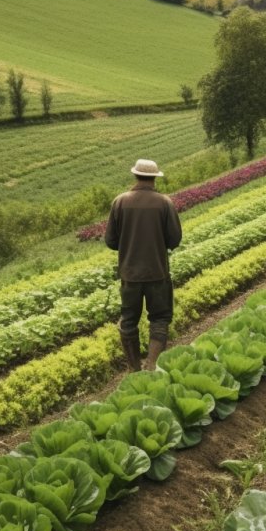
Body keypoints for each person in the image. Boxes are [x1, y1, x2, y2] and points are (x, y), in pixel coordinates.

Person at [105, 158, 182, 371]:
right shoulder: (164, 203)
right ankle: (152, 364)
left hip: (130, 274)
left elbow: (111, 241)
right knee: (159, 318)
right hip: (157, 272)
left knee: (128, 320)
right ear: (154, 178)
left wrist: (129, 244)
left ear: (136, 175)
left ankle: (134, 368)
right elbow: (174, 240)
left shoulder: (119, 202)